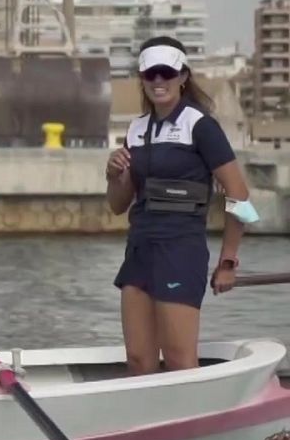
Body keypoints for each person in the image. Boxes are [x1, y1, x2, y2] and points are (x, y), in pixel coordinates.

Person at [105, 36, 253, 375]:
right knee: (138, 360)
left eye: (167, 73)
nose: (158, 80)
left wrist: (228, 261)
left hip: (180, 250)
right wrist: (113, 175)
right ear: (142, 79)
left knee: (179, 359)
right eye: (150, 74)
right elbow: (117, 205)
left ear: (183, 76)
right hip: (140, 251)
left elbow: (241, 196)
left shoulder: (201, 126)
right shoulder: (136, 129)